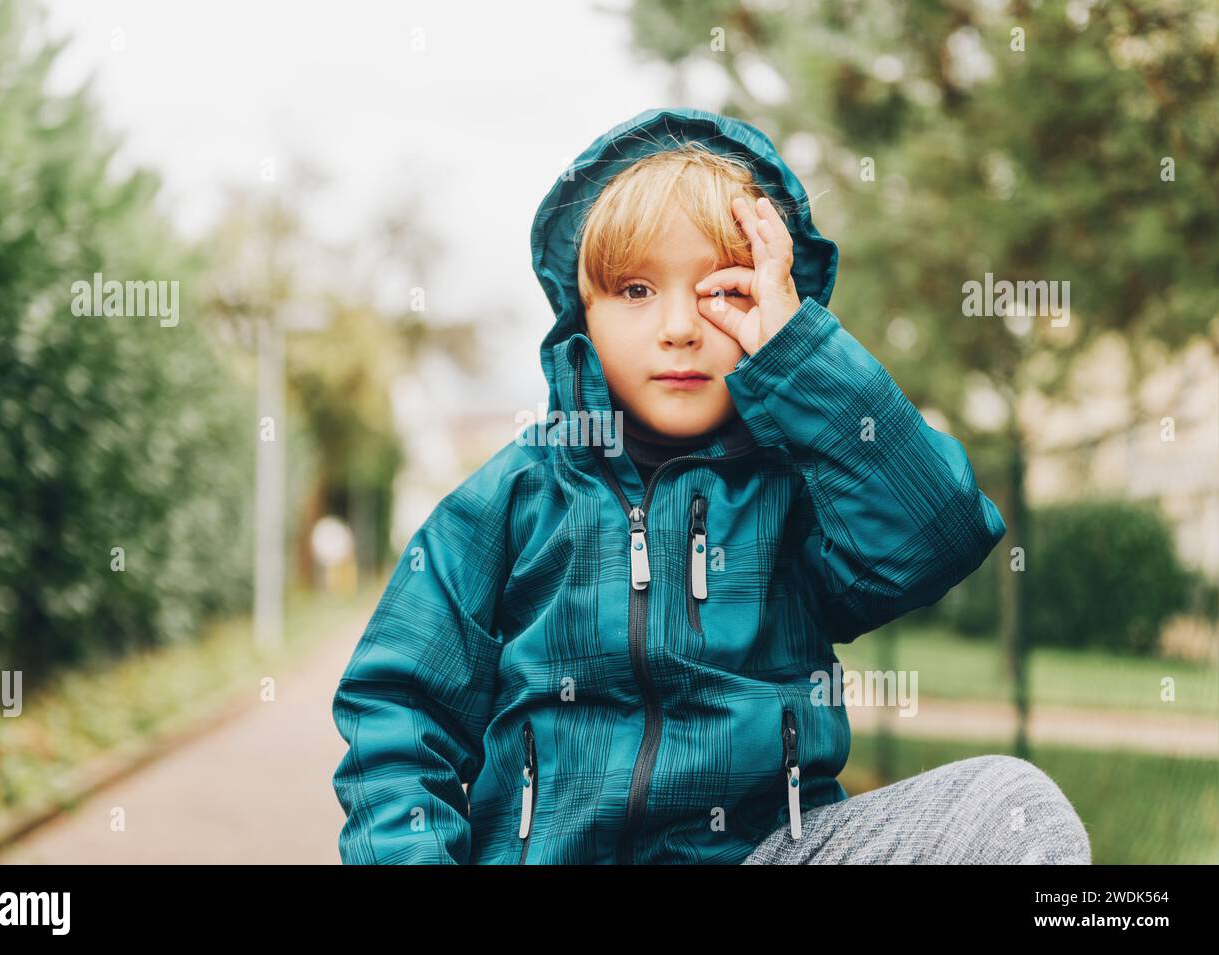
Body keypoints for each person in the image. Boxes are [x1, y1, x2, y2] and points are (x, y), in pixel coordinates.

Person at [330, 107, 1091, 865]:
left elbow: (936, 537)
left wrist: (803, 361)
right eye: (634, 290)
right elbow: (397, 712)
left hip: (769, 853)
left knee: (1017, 808)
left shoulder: (795, 487)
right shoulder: (514, 498)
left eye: (721, 289)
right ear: (581, 317)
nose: (679, 327)